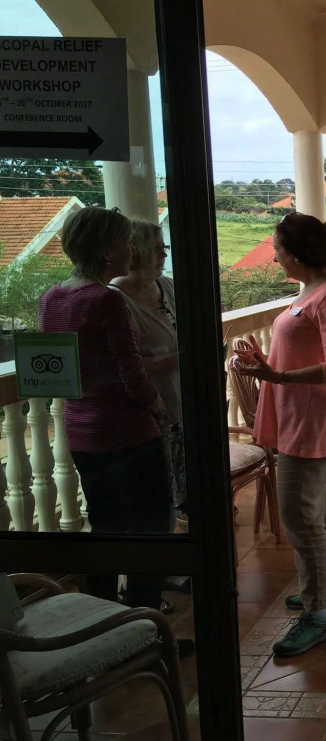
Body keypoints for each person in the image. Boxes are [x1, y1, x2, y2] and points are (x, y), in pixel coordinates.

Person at [235, 212, 326, 657]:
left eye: (279, 250)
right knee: (312, 508)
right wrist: (266, 363)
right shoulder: (311, 290)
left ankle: (316, 614)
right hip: (296, 412)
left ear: (298, 254)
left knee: (299, 516)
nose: (275, 257)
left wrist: (278, 376)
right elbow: (302, 349)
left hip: (311, 416)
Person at [38, 207, 169, 611]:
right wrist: (156, 403)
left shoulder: (51, 299)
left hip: (82, 433)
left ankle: (101, 615)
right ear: (107, 250)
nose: (132, 250)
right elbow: (131, 372)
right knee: (150, 530)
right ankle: (145, 620)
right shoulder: (106, 300)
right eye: (125, 242)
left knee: (104, 524)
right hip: (128, 432)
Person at [109, 219, 185, 521]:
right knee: (157, 503)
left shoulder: (167, 286)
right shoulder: (116, 300)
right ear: (136, 251)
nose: (164, 254)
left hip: (182, 411)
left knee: (184, 496)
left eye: (164, 247)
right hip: (152, 416)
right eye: (156, 249)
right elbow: (124, 366)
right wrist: (182, 358)